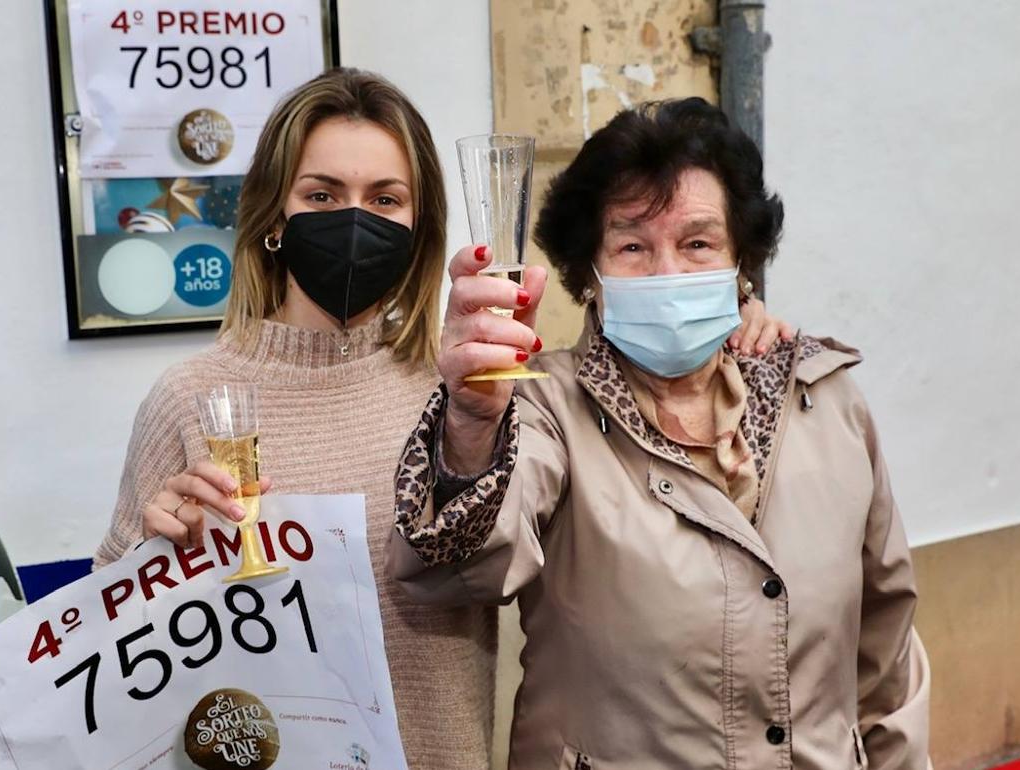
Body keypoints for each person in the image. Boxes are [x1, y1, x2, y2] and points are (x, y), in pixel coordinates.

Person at [94, 70, 793, 769]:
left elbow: (616, 438)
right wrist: (152, 556)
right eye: (322, 194)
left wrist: (734, 327)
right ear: (275, 216)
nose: (354, 218)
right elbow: (106, 643)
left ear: (418, 226)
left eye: (385, 199)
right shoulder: (194, 398)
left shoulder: (468, 385)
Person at [390, 97, 931, 769]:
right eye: (632, 246)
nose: (669, 273)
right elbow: (456, 570)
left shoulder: (827, 401)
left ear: (743, 263)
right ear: (588, 275)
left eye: (698, 242)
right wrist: (471, 422)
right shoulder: (544, 411)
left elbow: (887, 653)